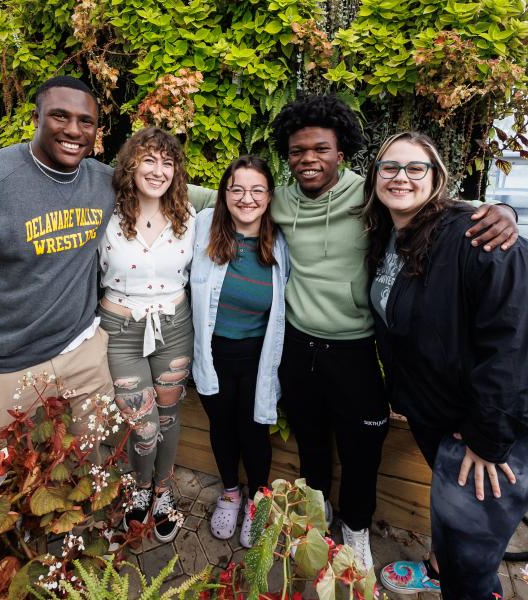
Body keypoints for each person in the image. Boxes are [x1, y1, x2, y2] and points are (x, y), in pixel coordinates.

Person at [188, 94, 519, 570]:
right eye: (298, 151)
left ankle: (358, 529)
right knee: (312, 441)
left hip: (355, 349)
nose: (308, 160)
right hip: (298, 346)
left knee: (362, 451)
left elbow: (428, 206)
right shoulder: (278, 202)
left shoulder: (369, 196)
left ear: (340, 153)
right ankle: (315, 518)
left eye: (320, 149)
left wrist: (496, 211)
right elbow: (218, 196)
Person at [362, 132, 528, 599]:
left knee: (471, 557)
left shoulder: (476, 236)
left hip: (486, 429)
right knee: (453, 531)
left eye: (416, 168)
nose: (400, 177)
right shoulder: (390, 236)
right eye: (389, 168)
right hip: (434, 412)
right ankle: (438, 568)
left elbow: (512, 339)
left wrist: (488, 439)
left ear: (437, 178)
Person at [0, 76, 116, 445]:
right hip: (7, 367)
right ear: (35, 117)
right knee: (13, 482)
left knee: (86, 463)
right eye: (60, 116)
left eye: (86, 121)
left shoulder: (104, 182)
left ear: (96, 129)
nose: (74, 131)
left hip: (84, 354)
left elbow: (164, 186)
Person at [98, 127, 194, 543]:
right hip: (120, 330)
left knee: (169, 416)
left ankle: (162, 489)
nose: (158, 170)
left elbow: (237, 196)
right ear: (130, 164)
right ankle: (140, 487)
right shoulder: (105, 211)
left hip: (174, 327)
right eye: (149, 160)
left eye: (167, 162)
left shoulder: (189, 215)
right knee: (144, 425)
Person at [191, 156, 289, 548]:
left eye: (257, 190)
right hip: (212, 354)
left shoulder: (281, 241)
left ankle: (257, 499)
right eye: (237, 189)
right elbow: (171, 190)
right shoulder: (201, 228)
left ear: (269, 197)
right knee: (221, 427)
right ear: (224, 194)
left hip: (257, 357)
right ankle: (230, 493)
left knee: (253, 432)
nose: (246, 198)